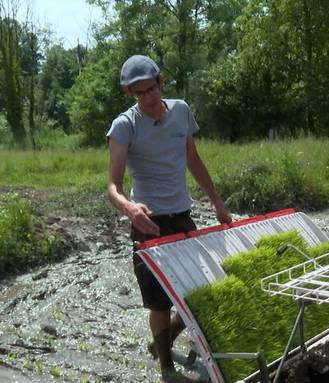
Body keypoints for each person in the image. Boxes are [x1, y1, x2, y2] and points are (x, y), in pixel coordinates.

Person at [106, 54, 231, 382]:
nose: (147, 99)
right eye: (138, 94)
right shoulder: (124, 126)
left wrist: (217, 202)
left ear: (161, 82)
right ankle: (166, 368)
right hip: (148, 224)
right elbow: (112, 187)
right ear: (130, 94)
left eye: (151, 90)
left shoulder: (181, 111)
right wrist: (130, 208)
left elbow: (193, 159)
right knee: (159, 303)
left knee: (194, 296)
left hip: (182, 218)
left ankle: (163, 342)